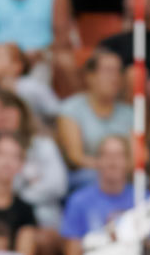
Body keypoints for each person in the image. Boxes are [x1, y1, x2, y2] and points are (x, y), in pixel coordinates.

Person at [0, 91, 68, 229]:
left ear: (21, 112)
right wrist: (30, 185)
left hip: (42, 217)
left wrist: (18, 198)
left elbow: (57, 185)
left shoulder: (43, 145)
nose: (2, 116)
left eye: (7, 108)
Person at [62, 135, 136, 255]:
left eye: (119, 155)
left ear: (128, 162)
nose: (112, 162)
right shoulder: (79, 201)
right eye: (106, 155)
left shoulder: (143, 198)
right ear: (97, 161)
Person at [57, 47, 132, 181]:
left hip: (123, 175)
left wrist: (118, 170)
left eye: (118, 71)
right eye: (108, 71)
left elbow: (140, 155)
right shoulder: (71, 109)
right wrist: (110, 168)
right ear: (90, 76)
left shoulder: (129, 113)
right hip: (87, 175)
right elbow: (76, 157)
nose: (114, 77)